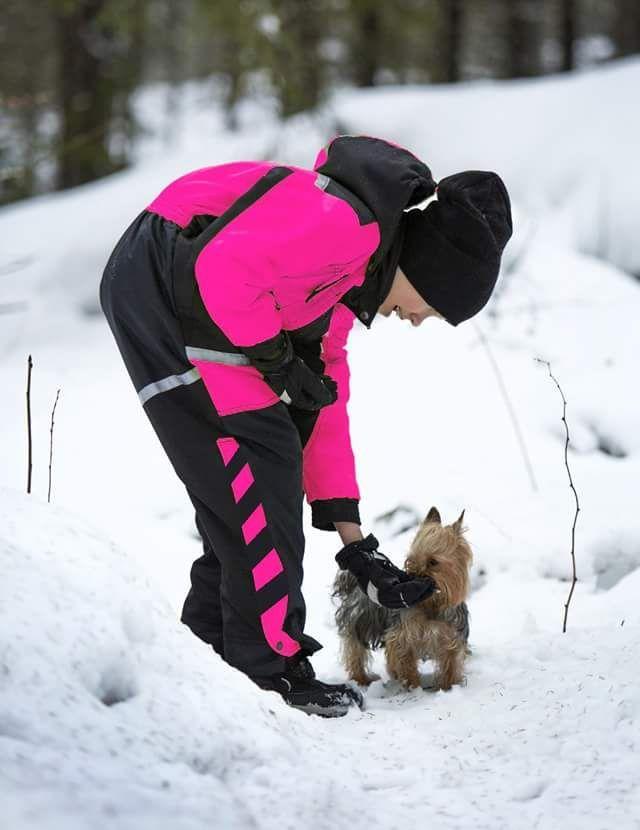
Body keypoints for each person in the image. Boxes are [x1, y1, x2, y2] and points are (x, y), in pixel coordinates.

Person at [99, 134, 512, 718]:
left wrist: (356, 546)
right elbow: (221, 267)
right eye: (437, 310)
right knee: (261, 467)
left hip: (180, 291)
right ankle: (269, 671)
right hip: (164, 280)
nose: (420, 321)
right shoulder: (345, 229)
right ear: (430, 270)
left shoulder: (347, 285)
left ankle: (202, 656)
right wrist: (275, 359)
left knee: (247, 481)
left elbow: (326, 399)